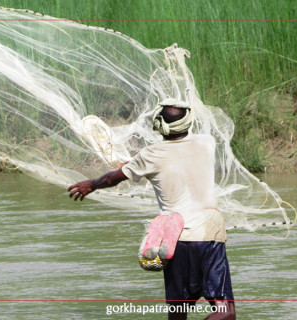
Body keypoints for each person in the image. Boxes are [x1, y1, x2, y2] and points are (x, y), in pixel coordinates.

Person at [68, 98, 236, 320]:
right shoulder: (207, 142)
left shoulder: (149, 155)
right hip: (210, 234)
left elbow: (111, 179)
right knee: (225, 311)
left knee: (177, 313)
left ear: (159, 125)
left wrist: (91, 184)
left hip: (176, 237)